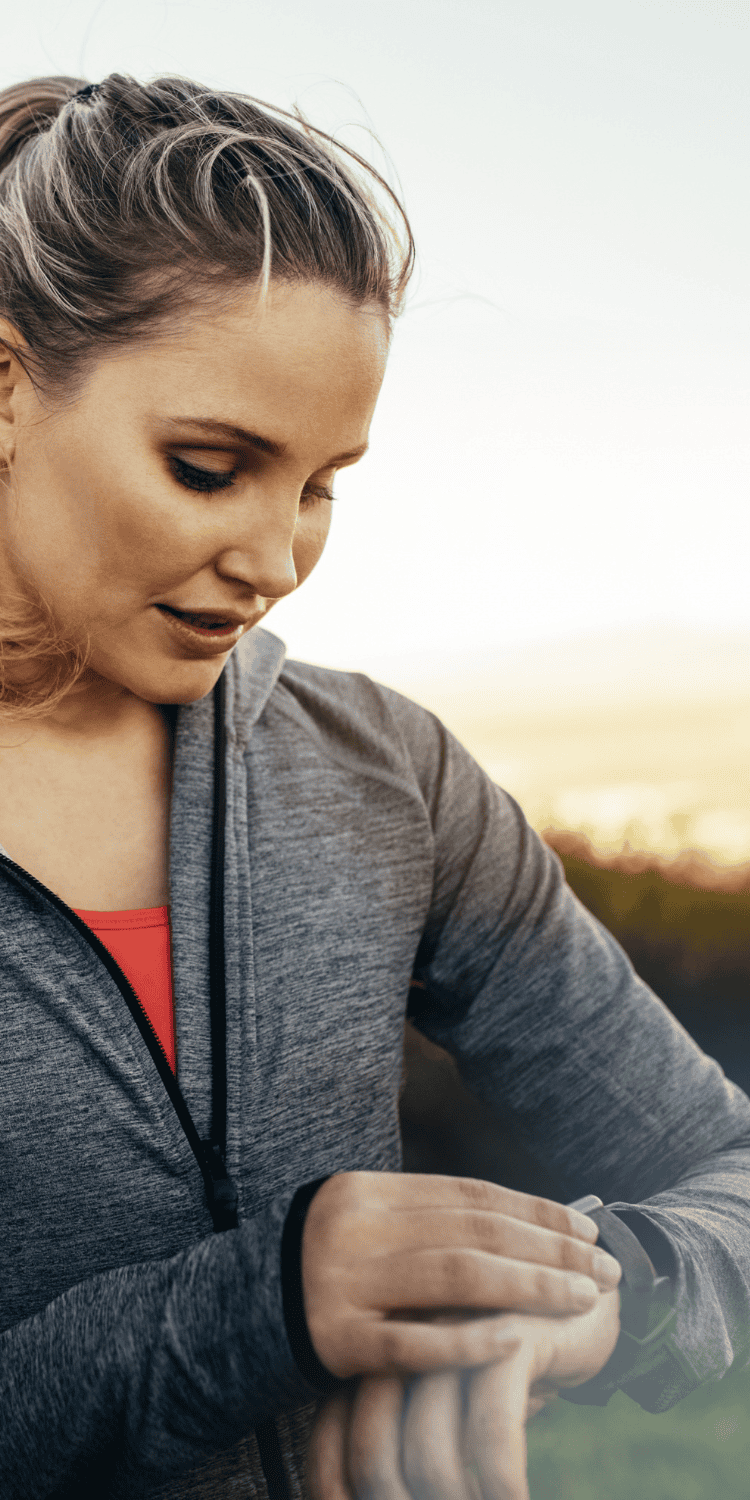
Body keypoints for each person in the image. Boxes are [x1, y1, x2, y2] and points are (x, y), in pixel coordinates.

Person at [0, 70, 748, 1500]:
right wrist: (262, 1307)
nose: (278, 559)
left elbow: (720, 1170)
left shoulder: (385, 777)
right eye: (210, 468)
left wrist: (580, 1299)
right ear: (9, 387)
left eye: (322, 483)